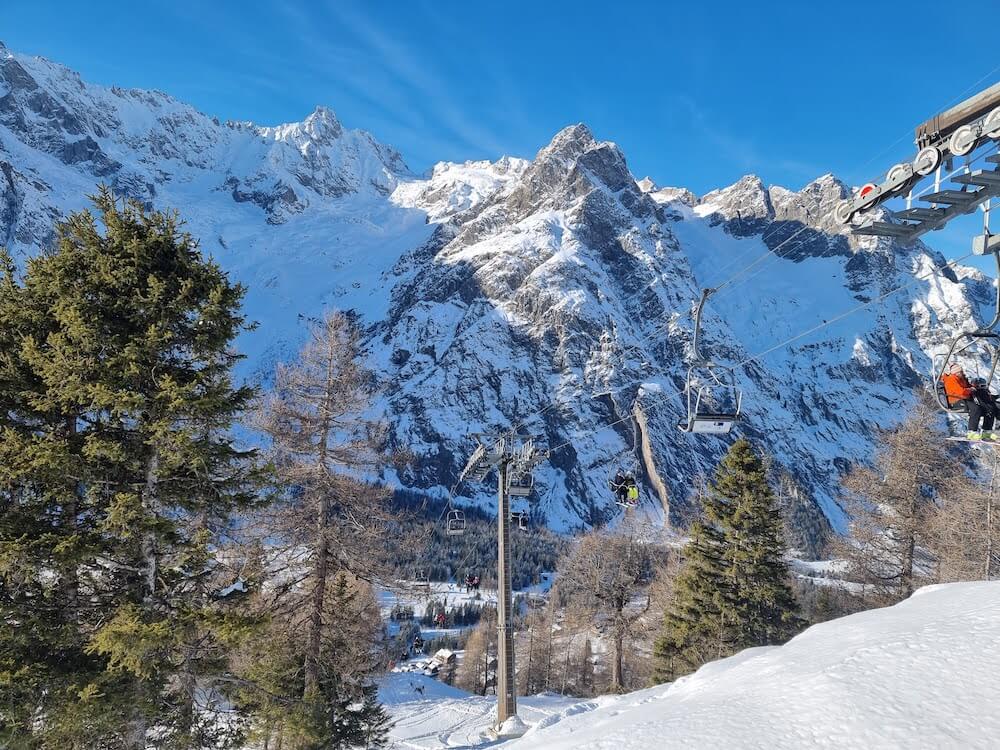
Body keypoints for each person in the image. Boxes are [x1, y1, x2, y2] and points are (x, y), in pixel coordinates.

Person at [941, 364, 998, 439]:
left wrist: (973, 387)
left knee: (989, 408)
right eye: (960, 372)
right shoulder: (952, 379)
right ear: (956, 373)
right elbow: (961, 392)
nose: (962, 373)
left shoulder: (961, 379)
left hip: (965, 398)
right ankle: (971, 432)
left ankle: (987, 431)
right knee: (976, 408)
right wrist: (970, 390)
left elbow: (967, 387)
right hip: (956, 400)